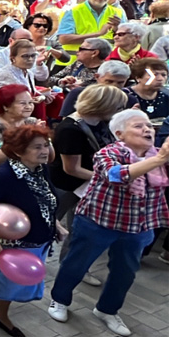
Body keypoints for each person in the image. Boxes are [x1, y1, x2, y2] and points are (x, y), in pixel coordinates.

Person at [47, 109, 169, 336]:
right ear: (119, 134)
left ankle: (107, 310)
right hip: (97, 221)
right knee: (76, 264)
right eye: (138, 126)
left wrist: (160, 159)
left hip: (137, 226)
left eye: (149, 126)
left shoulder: (157, 156)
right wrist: (159, 159)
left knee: (125, 272)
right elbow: (116, 176)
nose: (147, 129)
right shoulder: (108, 153)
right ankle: (59, 300)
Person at [0, 124, 61, 337]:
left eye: (46, 145)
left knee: (14, 280)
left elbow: (44, 200)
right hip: (11, 246)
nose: (45, 151)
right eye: (37, 147)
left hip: (38, 241)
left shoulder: (40, 167)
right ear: (18, 151)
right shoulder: (5, 176)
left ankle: (0, 314)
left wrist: (57, 225)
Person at [50, 84, 126, 257]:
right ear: (103, 105)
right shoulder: (71, 129)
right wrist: (110, 178)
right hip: (66, 186)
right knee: (49, 223)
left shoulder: (101, 122)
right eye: (118, 107)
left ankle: (69, 264)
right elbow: (72, 169)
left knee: (78, 229)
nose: (121, 111)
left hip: (87, 184)